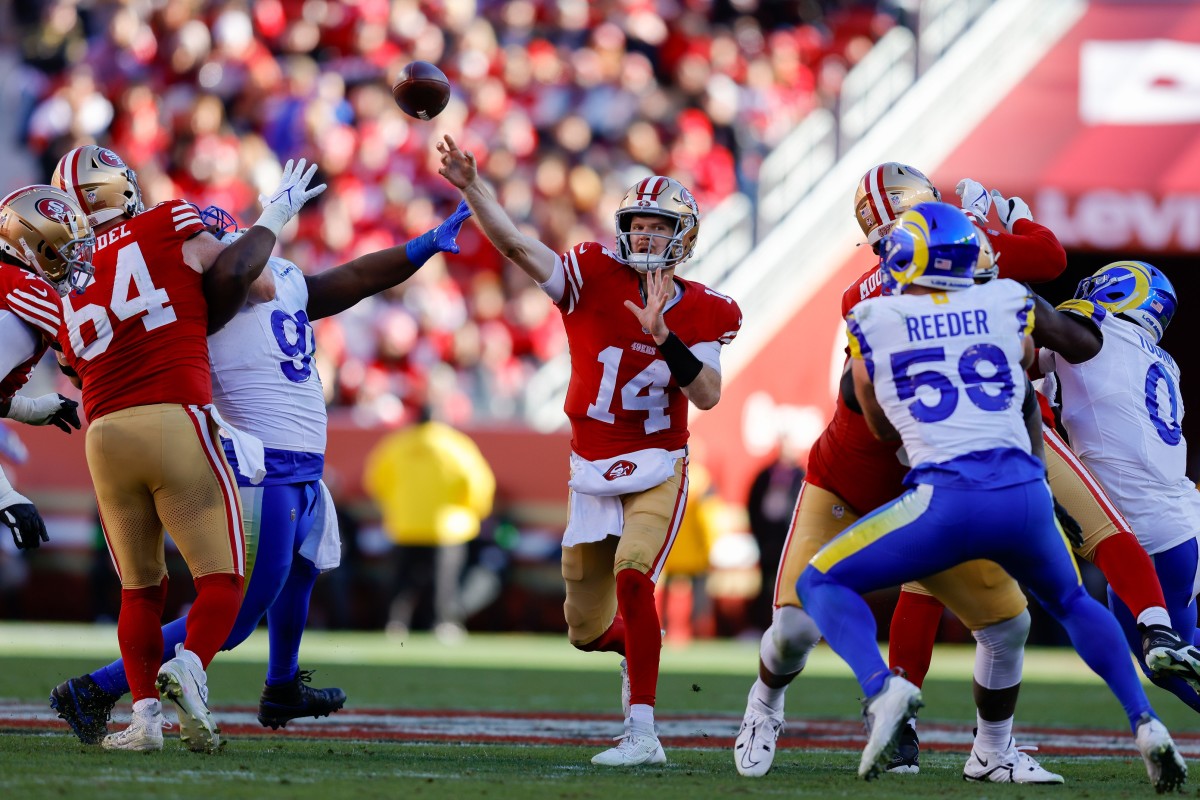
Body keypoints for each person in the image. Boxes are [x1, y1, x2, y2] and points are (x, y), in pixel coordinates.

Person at [735, 162, 1197, 780]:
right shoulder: (988, 291)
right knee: (799, 623)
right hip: (933, 462)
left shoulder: (874, 309)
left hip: (951, 461)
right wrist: (1002, 221)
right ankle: (1144, 700)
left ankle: (924, 718)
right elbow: (1042, 292)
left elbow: (871, 399)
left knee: (992, 611)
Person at [49, 198, 473, 741]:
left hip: (300, 461)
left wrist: (423, 245)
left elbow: (354, 277)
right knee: (238, 611)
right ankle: (95, 687)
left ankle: (282, 684)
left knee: (302, 567)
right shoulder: (201, 292)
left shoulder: (279, 275)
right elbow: (217, 282)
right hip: (257, 461)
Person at [438, 135, 741, 766]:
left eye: (661, 229)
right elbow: (520, 247)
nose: (648, 238)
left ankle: (642, 731)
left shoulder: (709, 309)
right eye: (641, 226)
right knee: (585, 628)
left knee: (636, 573)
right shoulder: (591, 273)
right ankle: (641, 650)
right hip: (590, 467)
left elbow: (708, 394)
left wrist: (665, 338)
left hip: (659, 463)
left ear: (682, 238)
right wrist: (473, 187)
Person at [882, 181, 1200, 773]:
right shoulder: (1162, 358)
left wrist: (984, 256)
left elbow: (1047, 326)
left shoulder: (1097, 325)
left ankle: (921, 724)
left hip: (1124, 511)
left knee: (941, 581)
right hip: (1177, 518)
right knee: (1162, 649)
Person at [49, 145, 325, 753]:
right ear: (120, 188)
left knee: (139, 590)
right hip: (175, 418)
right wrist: (272, 216)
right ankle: (192, 664)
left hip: (103, 435)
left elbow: (71, 362)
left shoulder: (66, 277)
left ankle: (144, 721)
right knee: (222, 579)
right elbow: (246, 284)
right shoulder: (166, 221)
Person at [1041, 262, 1200, 710]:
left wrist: (990, 267)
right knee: (1167, 660)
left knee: (1166, 661)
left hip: (1153, 531)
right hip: (1164, 525)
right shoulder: (1154, 356)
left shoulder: (1099, 331)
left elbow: (1035, 318)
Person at [0, 185, 89, 550]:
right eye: (65, 248)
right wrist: (5, 495)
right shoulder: (28, 289)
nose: (75, 260)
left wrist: (30, 408)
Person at [364, 403, 496, 643]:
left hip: (404, 525)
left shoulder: (397, 444)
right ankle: (441, 624)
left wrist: (395, 508)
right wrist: (473, 512)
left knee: (402, 581)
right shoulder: (457, 445)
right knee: (443, 583)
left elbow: (376, 480)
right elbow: (479, 485)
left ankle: (395, 624)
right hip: (447, 527)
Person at [745, 437, 805, 631]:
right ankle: (761, 625)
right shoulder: (766, 474)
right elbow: (753, 504)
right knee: (765, 584)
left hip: (789, 538)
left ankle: (787, 627)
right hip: (767, 538)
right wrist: (758, 532)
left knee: (790, 584)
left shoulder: (801, 476)